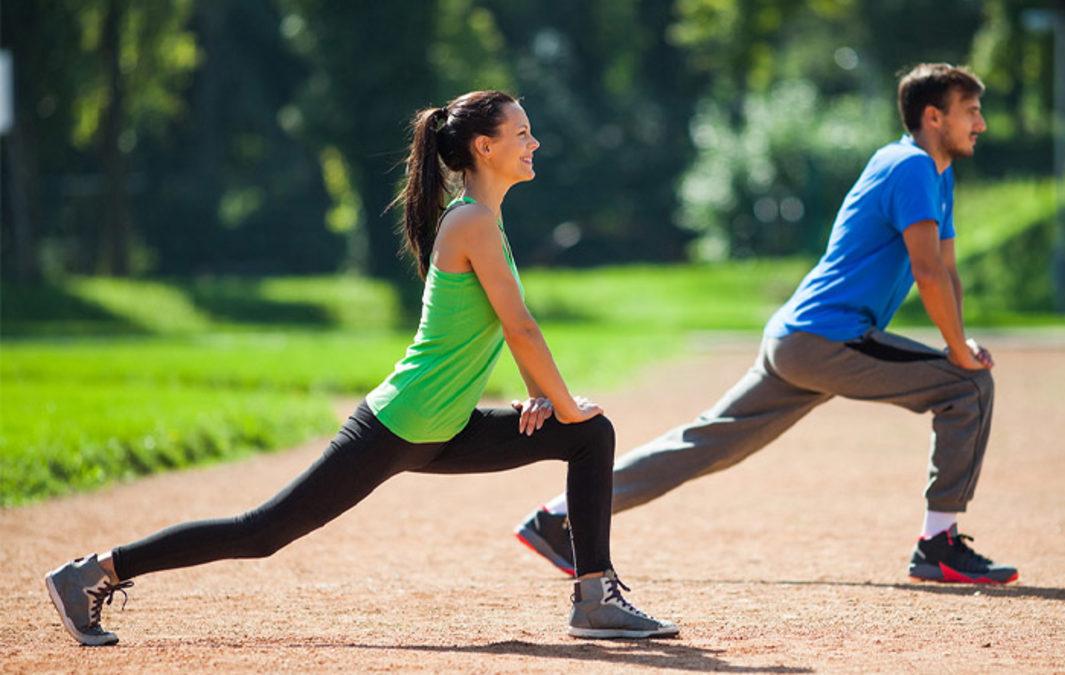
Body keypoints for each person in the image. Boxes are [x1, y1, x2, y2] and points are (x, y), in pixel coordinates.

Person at [45, 90, 678, 646]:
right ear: (485, 147)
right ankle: (95, 572)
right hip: (400, 424)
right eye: (521, 133)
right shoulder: (472, 222)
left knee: (590, 437)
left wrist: (545, 398)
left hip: (444, 428)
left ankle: (593, 599)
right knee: (263, 532)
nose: (534, 142)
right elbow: (521, 329)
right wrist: (560, 401)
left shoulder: (487, 221)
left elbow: (504, 331)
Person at [516, 64, 1017, 585]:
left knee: (706, 443)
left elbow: (948, 269)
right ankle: (938, 543)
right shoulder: (910, 166)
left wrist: (959, 341)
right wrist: (959, 354)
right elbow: (928, 270)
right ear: (934, 117)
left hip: (800, 338)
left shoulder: (935, 174)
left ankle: (557, 519)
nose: (979, 124)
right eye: (971, 112)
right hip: (829, 338)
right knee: (969, 387)